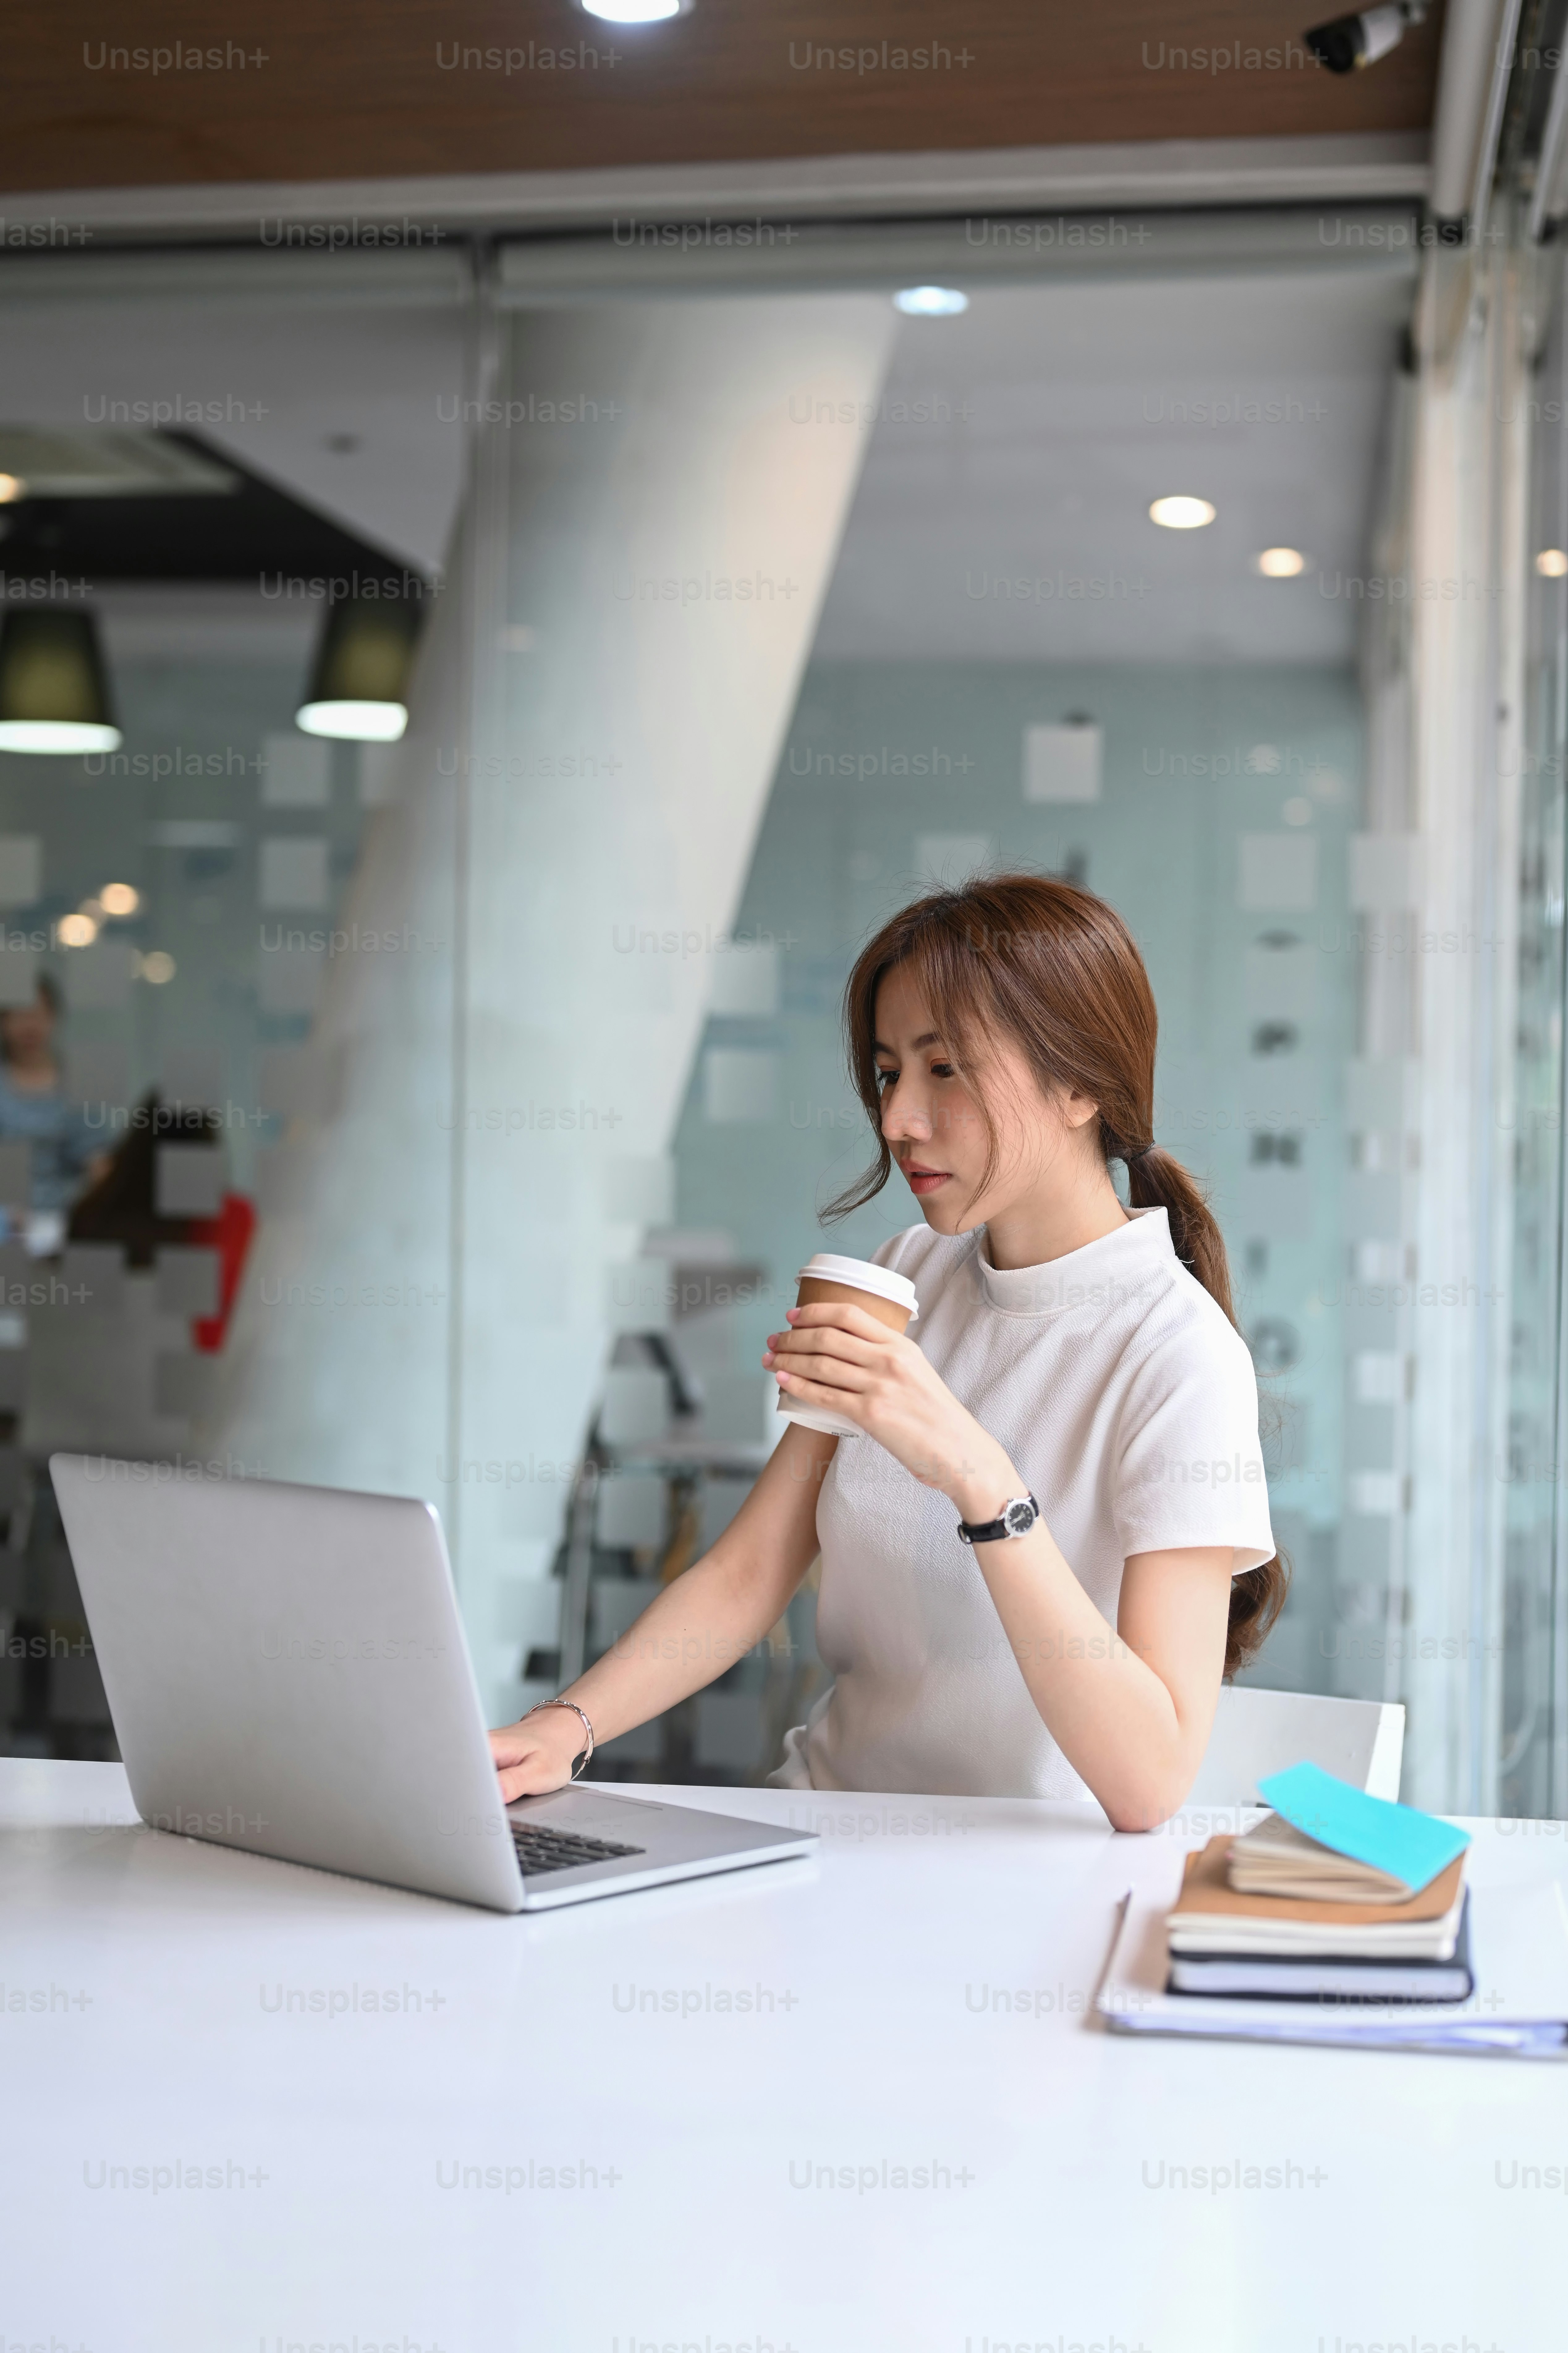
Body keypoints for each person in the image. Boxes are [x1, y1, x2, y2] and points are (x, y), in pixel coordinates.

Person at [490, 874, 1283, 1831]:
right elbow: (751, 1569)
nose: (899, 1117)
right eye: (885, 1072)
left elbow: (1148, 1781)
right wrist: (565, 1726)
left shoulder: (1178, 1354)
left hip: (1021, 1884)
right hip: (821, 1833)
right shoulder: (902, 1271)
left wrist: (978, 1476)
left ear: (1077, 1082)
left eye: (943, 1067)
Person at [0, 974, 106, 1226]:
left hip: (62, 1220)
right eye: (19, 1016)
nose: (29, 1026)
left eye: (37, 1015)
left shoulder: (80, 1087)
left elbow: (98, 1161)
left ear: (54, 1018)